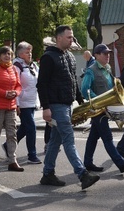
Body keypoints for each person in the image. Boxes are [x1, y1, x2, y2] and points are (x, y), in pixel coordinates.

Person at [37, 25, 99, 189]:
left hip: (66, 104)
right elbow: (41, 84)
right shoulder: (48, 57)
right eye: (69, 37)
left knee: (55, 141)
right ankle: (82, 174)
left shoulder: (70, 56)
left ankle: (47, 174)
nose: (72, 40)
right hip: (56, 105)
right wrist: (45, 107)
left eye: (72, 37)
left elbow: (72, 81)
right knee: (68, 140)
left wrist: (80, 100)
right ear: (59, 38)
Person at [81, 44, 124, 174]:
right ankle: (120, 163)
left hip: (106, 109)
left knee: (93, 137)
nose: (108, 56)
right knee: (107, 137)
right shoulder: (91, 70)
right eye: (105, 54)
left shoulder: (107, 68)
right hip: (98, 110)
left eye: (109, 53)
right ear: (96, 55)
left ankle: (87, 163)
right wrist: (99, 102)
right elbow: (85, 90)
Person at [14, 42, 41, 164]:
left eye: (30, 52)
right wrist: (17, 104)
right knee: (31, 127)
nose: (30, 54)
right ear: (20, 54)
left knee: (24, 128)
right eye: (27, 52)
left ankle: (8, 145)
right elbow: (15, 85)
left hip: (32, 101)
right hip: (23, 101)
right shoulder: (17, 66)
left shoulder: (33, 65)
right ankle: (32, 155)